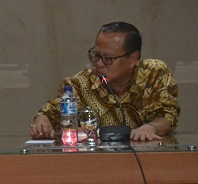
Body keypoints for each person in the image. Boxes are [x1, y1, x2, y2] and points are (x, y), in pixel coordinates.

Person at [30, 22, 179, 141]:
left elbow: (168, 114)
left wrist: (151, 127)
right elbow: (49, 114)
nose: (99, 64)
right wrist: (42, 122)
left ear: (133, 58)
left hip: (146, 157)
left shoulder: (154, 73)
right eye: (96, 56)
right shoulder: (79, 84)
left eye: (108, 58)